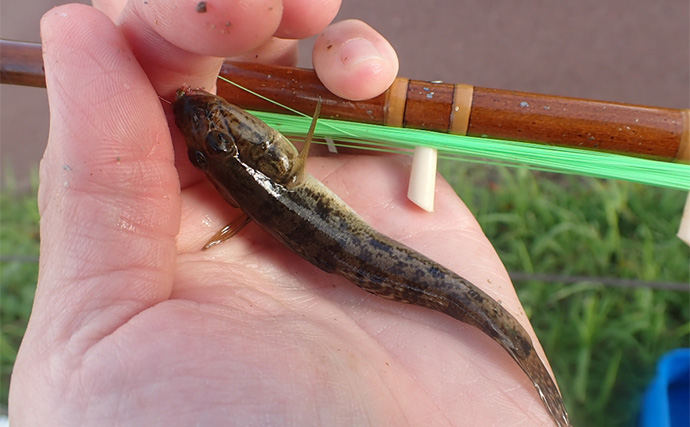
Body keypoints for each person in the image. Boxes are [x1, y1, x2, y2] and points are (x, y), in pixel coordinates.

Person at [9, 0, 558, 425]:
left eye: (210, 150)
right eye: (209, 153)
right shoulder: (273, 163)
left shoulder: (260, 173)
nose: (210, 139)